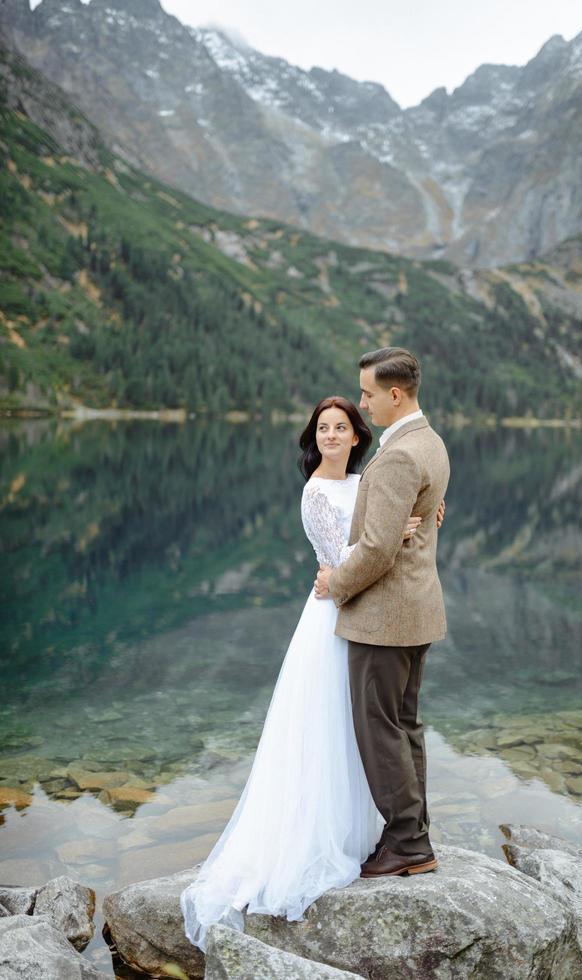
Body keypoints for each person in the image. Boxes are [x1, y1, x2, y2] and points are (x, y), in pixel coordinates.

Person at [179, 393, 445, 949]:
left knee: (369, 728)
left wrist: (412, 523)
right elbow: (340, 558)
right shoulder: (317, 492)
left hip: (366, 610)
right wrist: (393, 535)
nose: (330, 435)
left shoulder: (369, 477)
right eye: (322, 428)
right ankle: (336, 834)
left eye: (340, 426)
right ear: (313, 438)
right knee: (333, 724)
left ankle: (378, 830)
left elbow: (396, 521)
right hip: (333, 614)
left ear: (356, 436)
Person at [314, 347, 450, 878]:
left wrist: (335, 584)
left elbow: (376, 549)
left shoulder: (397, 454)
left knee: (379, 729)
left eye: (368, 394)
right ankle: (415, 834)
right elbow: (421, 519)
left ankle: (407, 843)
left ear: (396, 394)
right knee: (405, 725)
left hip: (385, 618)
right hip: (418, 610)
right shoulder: (430, 442)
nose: (363, 404)